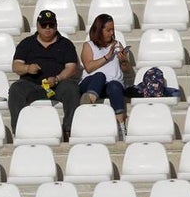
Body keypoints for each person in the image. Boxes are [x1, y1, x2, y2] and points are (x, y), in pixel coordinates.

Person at [8, 9, 81, 141]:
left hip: (57, 86)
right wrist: (28, 68)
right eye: (44, 25)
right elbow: (16, 66)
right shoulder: (27, 43)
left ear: (56, 26)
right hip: (32, 85)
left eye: (51, 25)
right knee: (15, 89)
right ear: (37, 26)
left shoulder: (65, 44)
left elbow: (71, 68)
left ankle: (69, 130)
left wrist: (57, 78)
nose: (47, 28)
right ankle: (18, 130)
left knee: (72, 88)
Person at [79, 13, 132, 141]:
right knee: (100, 76)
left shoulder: (117, 44)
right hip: (91, 83)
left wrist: (124, 61)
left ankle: (121, 126)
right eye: (108, 30)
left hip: (111, 85)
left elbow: (126, 70)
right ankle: (88, 102)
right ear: (99, 30)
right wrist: (108, 56)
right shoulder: (88, 45)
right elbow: (89, 67)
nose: (111, 33)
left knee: (115, 85)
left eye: (113, 29)